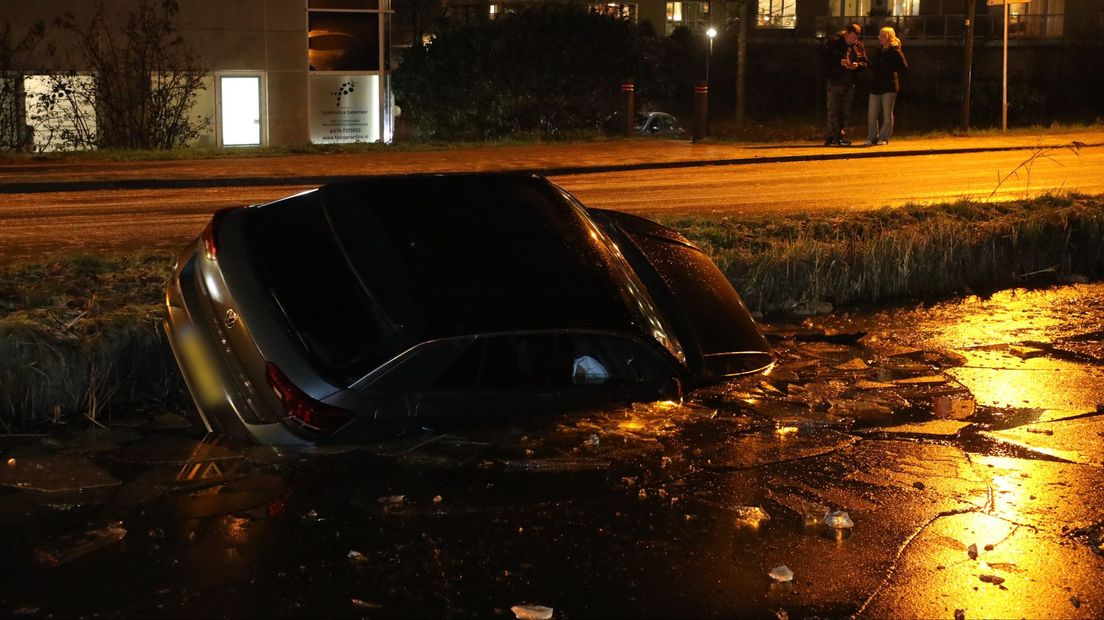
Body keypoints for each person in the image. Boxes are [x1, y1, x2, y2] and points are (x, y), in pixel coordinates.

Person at [822, 23, 867, 146]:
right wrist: (838, 62)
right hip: (835, 81)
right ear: (846, 33)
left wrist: (857, 65)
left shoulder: (858, 46)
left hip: (849, 82)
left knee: (845, 111)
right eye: (851, 37)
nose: (853, 40)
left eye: (855, 38)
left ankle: (839, 135)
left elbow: (865, 62)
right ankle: (832, 136)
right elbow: (824, 60)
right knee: (833, 109)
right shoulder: (834, 43)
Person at [866, 26, 908, 145]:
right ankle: (872, 136)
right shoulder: (879, 51)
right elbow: (873, 66)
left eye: (883, 36)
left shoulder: (895, 51)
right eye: (880, 35)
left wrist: (890, 69)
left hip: (889, 86)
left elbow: (904, 66)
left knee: (887, 113)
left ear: (890, 37)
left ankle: (883, 137)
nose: (881, 38)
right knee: (872, 113)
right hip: (876, 85)